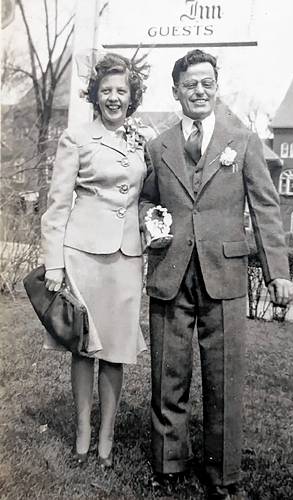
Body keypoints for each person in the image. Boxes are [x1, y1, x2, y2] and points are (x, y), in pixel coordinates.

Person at [139, 49, 293, 499]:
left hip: (223, 273)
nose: (200, 90)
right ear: (176, 91)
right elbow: (148, 201)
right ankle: (170, 464)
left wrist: (277, 272)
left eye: (207, 82)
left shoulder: (240, 139)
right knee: (169, 371)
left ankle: (223, 475)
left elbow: (265, 206)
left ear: (216, 86)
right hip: (170, 271)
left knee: (224, 377)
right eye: (191, 84)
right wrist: (154, 222)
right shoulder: (159, 145)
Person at [41, 52, 150, 467]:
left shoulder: (141, 140)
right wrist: (54, 263)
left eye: (121, 91)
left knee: (118, 349)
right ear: (95, 94)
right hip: (83, 254)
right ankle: (83, 430)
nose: (114, 98)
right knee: (85, 347)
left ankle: (108, 436)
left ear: (131, 95)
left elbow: (146, 196)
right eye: (106, 90)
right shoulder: (77, 138)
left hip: (126, 258)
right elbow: (56, 205)